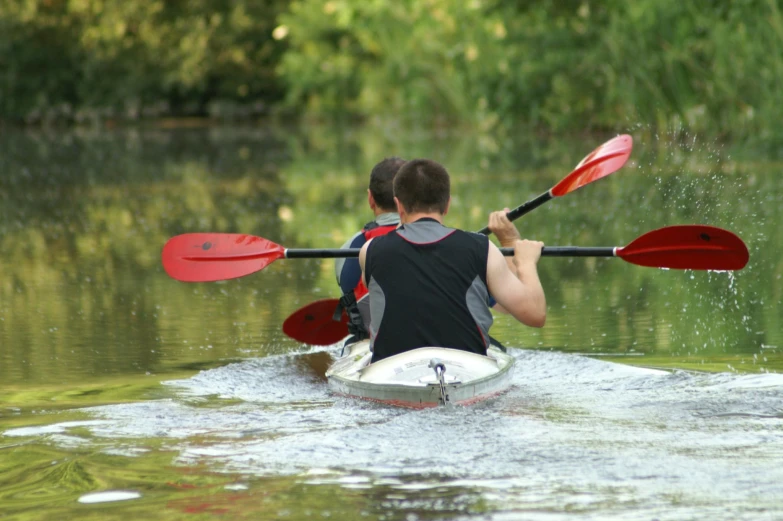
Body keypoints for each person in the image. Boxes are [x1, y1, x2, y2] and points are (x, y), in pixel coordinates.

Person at [358, 159, 546, 363]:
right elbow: (535, 315)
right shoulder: (483, 249)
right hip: (466, 371)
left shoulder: (370, 251)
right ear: (447, 204)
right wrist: (526, 262)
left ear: (398, 205)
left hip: (391, 371)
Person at [333, 157, 406, 340]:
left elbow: (350, 300)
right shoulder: (437, 239)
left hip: (370, 343)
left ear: (370, 198)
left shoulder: (348, 249)